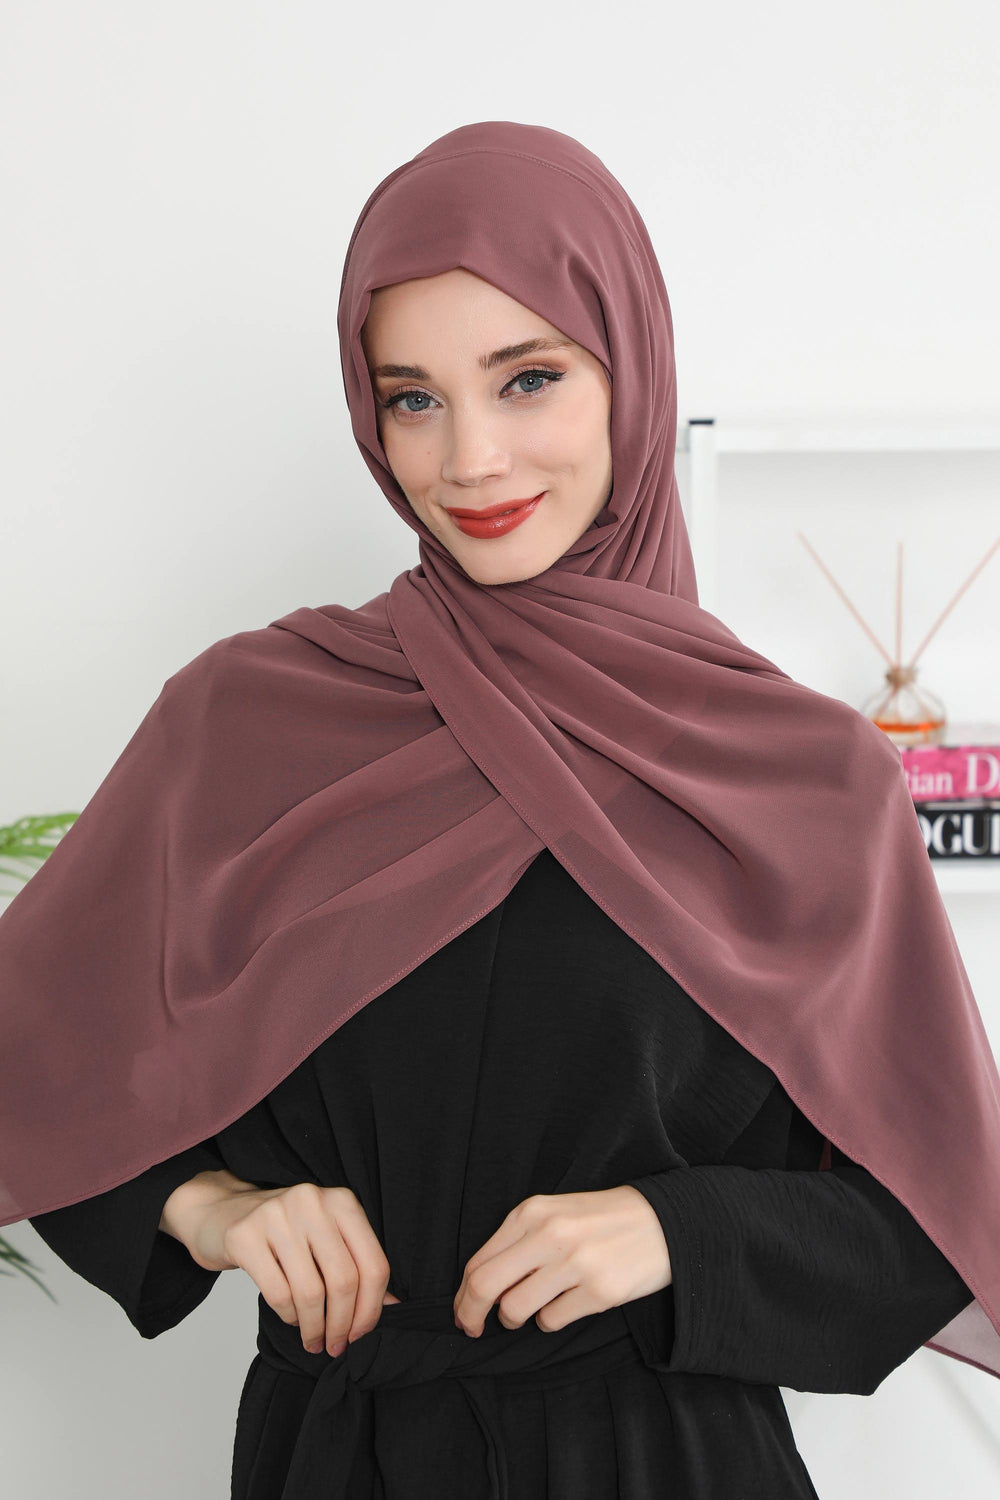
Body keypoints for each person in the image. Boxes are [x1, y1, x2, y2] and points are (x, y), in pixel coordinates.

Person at [11, 121, 999, 1498]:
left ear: (630, 375)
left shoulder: (800, 775)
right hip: (338, 1457)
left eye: (528, 379)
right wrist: (209, 1206)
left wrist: (682, 1233)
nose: (471, 459)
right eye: (413, 399)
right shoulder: (242, 725)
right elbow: (35, 1058)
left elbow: (938, 1217)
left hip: (667, 1461)